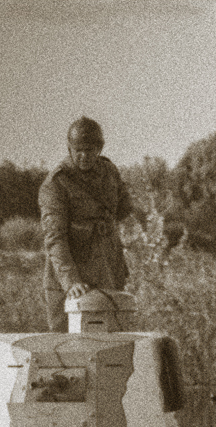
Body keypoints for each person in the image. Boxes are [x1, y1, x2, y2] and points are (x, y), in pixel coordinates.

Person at [38, 116, 136, 331]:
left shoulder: (109, 172)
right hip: (70, 279)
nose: (83, 156)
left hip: (108, 270)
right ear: (69, 148)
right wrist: (71, 281)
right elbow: (55, 238)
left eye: (90, 150)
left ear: (99, 148)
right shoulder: (56, 183)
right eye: (78, 150)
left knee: (111, 342)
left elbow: (125, 207)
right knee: (67, 348)